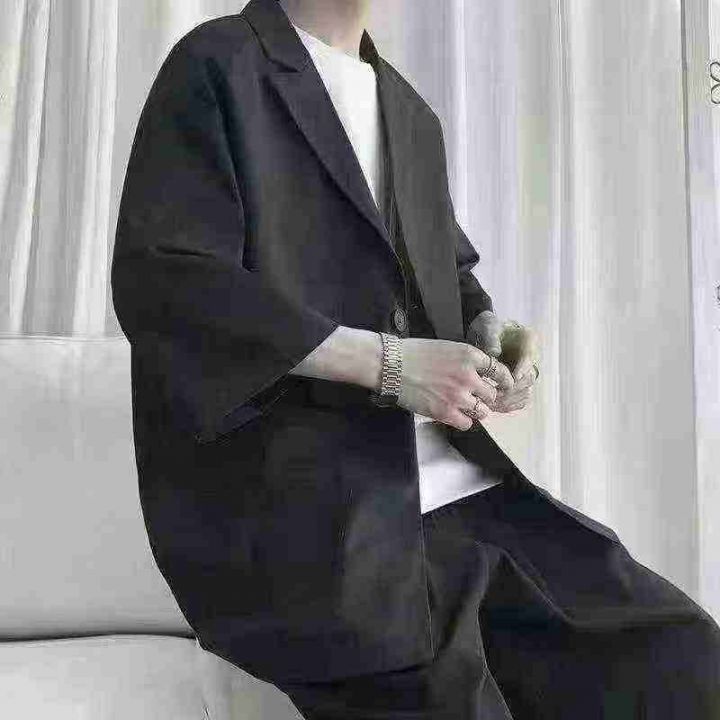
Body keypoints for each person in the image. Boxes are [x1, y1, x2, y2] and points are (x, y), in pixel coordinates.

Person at [110, 0, 720, 717]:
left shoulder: (408, 111)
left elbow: (443, 277)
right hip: (314, 521)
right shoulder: (219, 65)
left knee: (685, 658)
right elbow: (169, 282)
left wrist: (489, 332)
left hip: (466, 498)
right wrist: (389, 364)